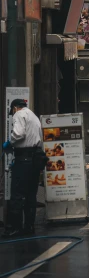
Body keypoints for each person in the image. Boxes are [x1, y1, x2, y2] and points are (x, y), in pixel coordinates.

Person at [2, 98, 44, 237]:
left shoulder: (19, 114)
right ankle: (29, 227)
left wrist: (10, 142)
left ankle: (14, 228)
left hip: (23, 159)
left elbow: (19, 134)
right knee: (31, 195)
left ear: (15, 107)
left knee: (17, 194)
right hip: (36, 159)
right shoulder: (33, 116)